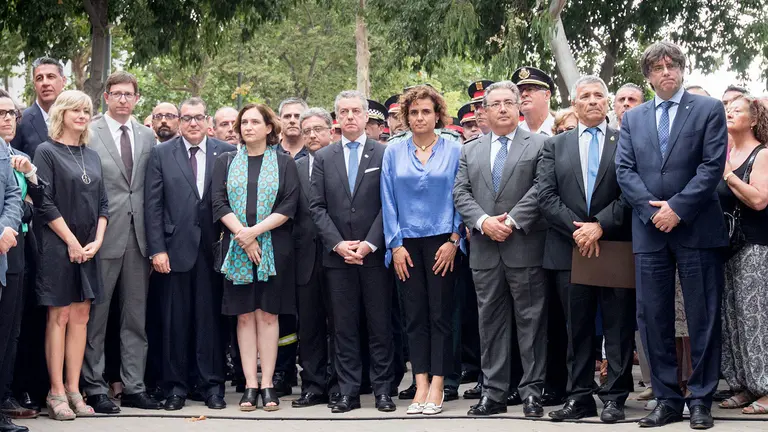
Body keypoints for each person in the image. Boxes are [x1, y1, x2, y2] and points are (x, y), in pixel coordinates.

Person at [615, 40, 728, 430]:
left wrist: (676, 208)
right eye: (659, 67)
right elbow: (624, 171)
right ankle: (666, 399)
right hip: (649, 230)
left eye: (673, 65)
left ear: (682, 69)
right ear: (648, 76)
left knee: (703, 316)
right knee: (653, 317)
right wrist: (653, 211)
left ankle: (701, 399)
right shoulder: (633, 118)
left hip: (695, 224)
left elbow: (713, 165)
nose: (667, 72)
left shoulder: (709, 110)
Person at [538, 76, 635, 423]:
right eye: (585, 96)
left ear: (608, 103)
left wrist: (600, 226)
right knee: (574, 328)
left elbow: (631, 193)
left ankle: (615, 398)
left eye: (599, 95)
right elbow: (545, 196)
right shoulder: (555, 145)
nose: (592, 101)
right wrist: (578, 230)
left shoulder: (625, 141)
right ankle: (580, 396)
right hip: (568, 247)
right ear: (574, 104)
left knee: (618, 326)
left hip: (612, 245)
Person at [453, 81, 549, 418]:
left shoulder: (539, 144)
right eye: (496, 104)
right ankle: (493, 393)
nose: (504, 108)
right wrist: (482, 222)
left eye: (510, 102)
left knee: (531, 322)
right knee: (489, 323)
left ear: (519, 107)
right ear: (484, 111)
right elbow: (460, 193)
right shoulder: (469, 149)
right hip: (484, 248)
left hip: (523, 244)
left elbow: (541, 189)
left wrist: (509, 222)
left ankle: (532, 393)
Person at [144, 97, 236, 411]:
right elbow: (152, 206)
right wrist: (157, 249)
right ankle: (174, 388)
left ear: (208, 120)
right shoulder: (160, 153)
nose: (193, 123)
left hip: (214, 250)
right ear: (179, 121)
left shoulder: (225, 152)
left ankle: (211, 387)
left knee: (210, 321)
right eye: (187, 118)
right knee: (174, 322)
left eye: (198, 117)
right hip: (174, 250)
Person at [309, 90, 395, 413]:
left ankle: (384, 390)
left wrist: (370, 243)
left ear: (366, 116)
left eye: (355, 111)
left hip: (374, 256)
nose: (349, 117)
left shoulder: (384, 153)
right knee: (343, 328)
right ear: (336, 118)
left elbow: (390, 204)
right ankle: (348, 392)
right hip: (338, 257)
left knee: (379, 326)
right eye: (343, 112)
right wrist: (339, 244)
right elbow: (317, 207)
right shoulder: (323, 158)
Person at [80, 71, 161, 413]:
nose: (124, 99)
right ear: (107, 98)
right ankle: (95, 387)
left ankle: (133, 386)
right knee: (96, 317)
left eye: (130, 94)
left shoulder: (147, 136)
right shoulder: (90, 132)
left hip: (138, 237)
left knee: (135, 317)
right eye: (117, 94)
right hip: (101, 235)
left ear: (137, 99)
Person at [212, 103, 299, 412]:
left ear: (268, 127)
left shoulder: (285, 163)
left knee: (268, 315)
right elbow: (218, 202)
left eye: (254, 121)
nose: (248, 127)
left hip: (274, 247)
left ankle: (268, 385)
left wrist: (255, 232)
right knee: (245, 315)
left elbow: (289, 205)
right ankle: (250, 384)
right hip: (237, 248)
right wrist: (243, 234)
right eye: (243, 122)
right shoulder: (225, 161)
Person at [381, 85, 461, 416]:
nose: (419, 117)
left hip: (443, 241)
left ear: (438, 115)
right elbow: (386, 199)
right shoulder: (393, 152)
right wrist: (394, 244)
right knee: (413, 317)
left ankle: (440, 383)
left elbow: (461, 193)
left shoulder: (454, 149)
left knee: (441, 315)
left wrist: (455, 240)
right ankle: (421, 381)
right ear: (405, 117)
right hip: (406, 243)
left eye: (425, 111)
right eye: (413, 112)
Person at [32, 90, 108, 420]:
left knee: (81, 319)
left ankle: (75, 390)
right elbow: (44, 203)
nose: (82, 114)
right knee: (59, 318)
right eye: (75, 109)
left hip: (88, 249)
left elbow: (104, 204)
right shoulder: (45, 151)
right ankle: (56, 392)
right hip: (57, 247)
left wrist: (96, 242)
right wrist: (72, 242)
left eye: (87, 110)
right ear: (61, 113)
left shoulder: (91, 155)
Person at [717, 95, 768, 414]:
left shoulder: (762, 154)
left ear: (753, 120)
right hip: (725, 246)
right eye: (727, 110)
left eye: (737, 111)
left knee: (755, 317)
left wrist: (728, 175)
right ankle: (743, 385)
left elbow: (760, 200)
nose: (729, 114)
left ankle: (765, 385)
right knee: (731, 318)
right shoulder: (726, 151)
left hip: (755, 244)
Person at [291, 108, 339, 408]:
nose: (311, 135)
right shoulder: (291, 166)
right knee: (308, 326)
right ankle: (312, 384)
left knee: (340, 325)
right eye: (306, 130)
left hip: (338, 254)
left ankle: (340, 384)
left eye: (318, 129)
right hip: (303, 257)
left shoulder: (340, 162)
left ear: (330, 131)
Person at [0, 91, 29, 432]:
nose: (7, 118)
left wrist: (7, 228)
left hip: (6, 255)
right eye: (1, 112)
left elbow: (12, 195)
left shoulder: (8, 154)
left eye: (11, 112)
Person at [11, 57, 66, 157]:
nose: (45, 83)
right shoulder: (20, 121)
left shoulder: (73, 119)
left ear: (63, 81)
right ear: (34, 85)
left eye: (51, 77)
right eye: (39, 78)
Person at [512, 67, 556, 137]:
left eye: (530, 89)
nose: (523, 94)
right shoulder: (512, 133)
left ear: (547, 95)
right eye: (520, 91)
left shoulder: (562, 129)